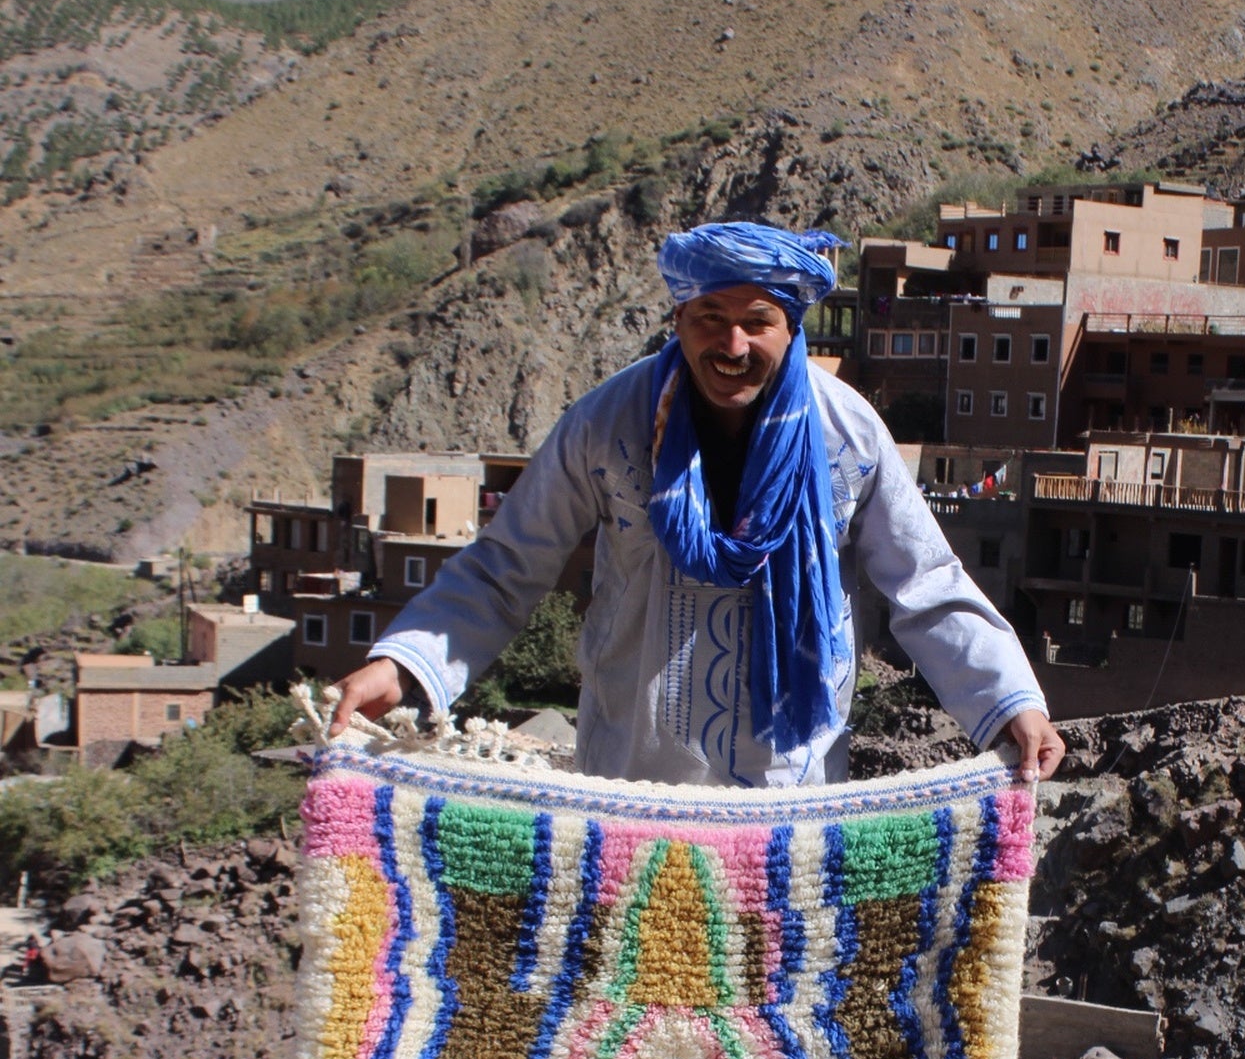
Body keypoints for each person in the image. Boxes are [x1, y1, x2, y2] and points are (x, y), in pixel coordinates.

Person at [332, 220, 1065, 789]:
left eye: (758, 320)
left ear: (793, 327)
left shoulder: (846, 434)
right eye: (710, 316)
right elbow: (507, 564)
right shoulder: (608, 423)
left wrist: (1009, 704)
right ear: (679, 318)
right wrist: (405, 667)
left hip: (790, 793)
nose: (733, 343)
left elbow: (926, 586)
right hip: (628, 782)